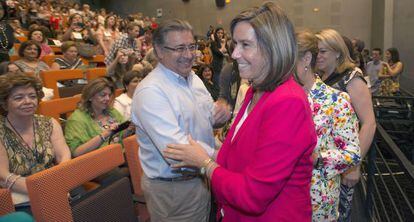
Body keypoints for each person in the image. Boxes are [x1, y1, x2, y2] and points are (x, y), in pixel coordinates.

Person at [163, 3, 317, 221]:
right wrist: (204, 154)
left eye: (245, 45)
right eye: (235, 44)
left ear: (274, 47)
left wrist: (204, 164)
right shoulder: (256, 90)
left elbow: (253, 195)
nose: (234, 54)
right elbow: (237, 157)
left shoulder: (287, 101)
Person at [131, 19, 231, 222]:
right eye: (179, 48)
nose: (188, 55)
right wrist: (227, 158)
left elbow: (204, 120)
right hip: (174, 191)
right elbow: (177, 151)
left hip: (203, 175)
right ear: (159, 51)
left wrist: (218, 116)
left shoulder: (193, 78)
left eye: (191, 46)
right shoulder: (151, 91)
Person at [295, 30, 361, 221]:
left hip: (318, 201)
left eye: (289, 62)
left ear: (307, 59)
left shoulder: (336, 100)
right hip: (284, 199)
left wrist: (318, 158)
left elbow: (352, 152)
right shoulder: (281, 98)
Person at [316, 29, 376, 222]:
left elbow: (369, 123)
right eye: (316, 51)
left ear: (338, 52)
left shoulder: (352, 78)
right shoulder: (322, 77)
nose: (318, 56)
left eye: (323, 51)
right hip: (325, 164)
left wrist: (354, 165)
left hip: (342, 163)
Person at [0, 73, 71, 209]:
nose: (28, 101)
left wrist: (58, 183)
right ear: (4, 103)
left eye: (32, 96)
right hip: (18, 194)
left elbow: (64, 156)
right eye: (18, 98)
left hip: (55, 183)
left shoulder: (49, 123)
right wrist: (44, 190)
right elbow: (3, 176)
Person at [64, 77, 132, 157]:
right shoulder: (77, 119)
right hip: (99, 163)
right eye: (103, 95)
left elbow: (119, 138)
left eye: (109, 95)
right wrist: (105, 134)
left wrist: (129, 130)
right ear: (90, 97)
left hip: (121, 155)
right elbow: (76, 152)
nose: (107, 98)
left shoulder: (111, 112)